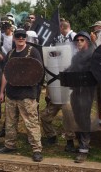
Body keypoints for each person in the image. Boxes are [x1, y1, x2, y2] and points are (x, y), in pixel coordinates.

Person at [0, 29, 43, 162]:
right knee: (10, 122)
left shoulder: (33, 52)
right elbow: (5, 73)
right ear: (14, 38)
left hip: (27, 94)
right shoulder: (10, 54)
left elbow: (39, 71)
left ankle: (37, 149)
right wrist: (1, 92)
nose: (20, 38)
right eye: (18, 36)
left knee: (31, 123)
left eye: (23, 36)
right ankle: (9, 145)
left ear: (26, 38)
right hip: (11, 93)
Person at [40, 19, 76, 152]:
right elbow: (50, 77)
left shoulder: (73, 42)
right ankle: (51, 136)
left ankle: (70, 141)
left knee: (68, 116)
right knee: (44, 117)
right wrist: (49, 94)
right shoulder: (52, 58)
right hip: (56, 92)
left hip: (68, 91)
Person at [64, 31, 96, 163]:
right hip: (76, 90)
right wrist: (62, 74)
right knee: (77, 117)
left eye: (82, 40)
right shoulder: (76, 57)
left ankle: (84, 148)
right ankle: (82, 144)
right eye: (77, 40)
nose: (79, 42)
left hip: (87, 91)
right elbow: (71, 68)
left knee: (84, 117)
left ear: (87, 41)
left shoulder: (93, 56)